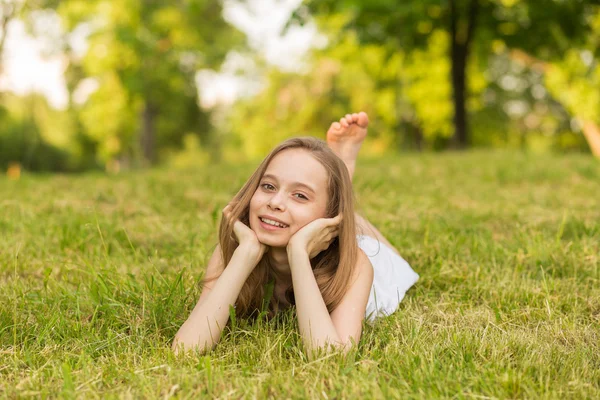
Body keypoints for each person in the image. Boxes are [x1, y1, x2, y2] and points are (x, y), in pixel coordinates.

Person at [172, 112, 419, 356]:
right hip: (318, 222)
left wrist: (298, 253)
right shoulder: (234, 249)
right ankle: (335, 191)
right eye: (268, 186)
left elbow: (331, 358)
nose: (275, 202)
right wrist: (245, 253)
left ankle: (343, 192)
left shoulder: (355, 264)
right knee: (347, 219)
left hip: (358, 258)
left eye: (300, 195)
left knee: (390, 258)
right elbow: (185, 349)